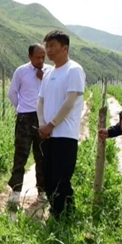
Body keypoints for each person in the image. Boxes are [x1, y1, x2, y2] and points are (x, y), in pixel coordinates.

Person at [37, 30, 85, 219]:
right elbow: (40, 101)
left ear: (65, 48)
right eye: (47, 46)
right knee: (48, 177)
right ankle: (57, 214)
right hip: (48, 134)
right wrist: (43, 125)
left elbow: (70, 101)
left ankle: (67, 216)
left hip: (65, 134)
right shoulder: (49, 72)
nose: (49, 50)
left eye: (52, 46)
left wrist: (52, 124)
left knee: (61, 178)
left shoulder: (74, 70)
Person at [7, 44, 52, 206]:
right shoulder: (21, 71)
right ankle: (16, 190)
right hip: (26, 117)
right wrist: (22, 108)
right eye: (37, 57)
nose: (40, 60)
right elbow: (12, 93)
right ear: (29, 57)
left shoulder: (50, 72)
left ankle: (42, 191)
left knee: (42, 156)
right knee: (21, 153)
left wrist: (43, 79)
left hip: (44, 119)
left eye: (43, 57)